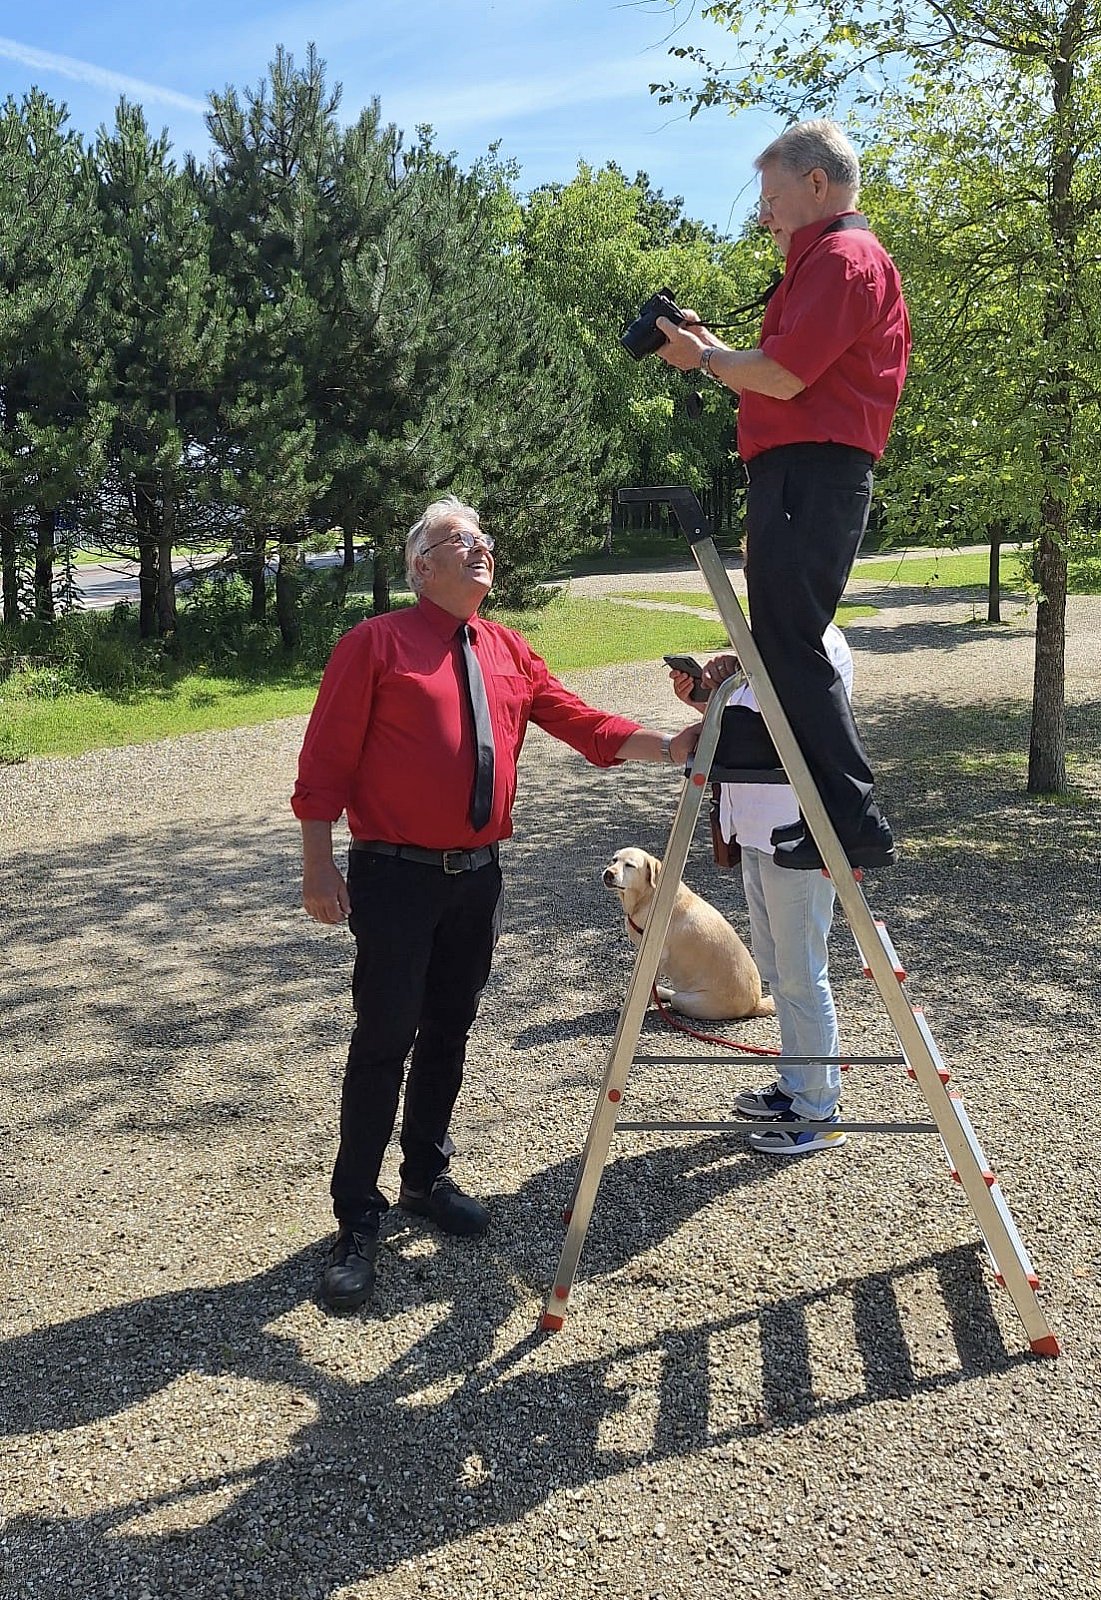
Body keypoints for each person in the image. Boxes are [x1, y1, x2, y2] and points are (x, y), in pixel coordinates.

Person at [293, 495, 700, 1311]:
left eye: (483, 538)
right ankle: (356, 1218)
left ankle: (423, 1179)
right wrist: (317, 865)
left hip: (475, 875)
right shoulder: (373, 645)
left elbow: (577, 720)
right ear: (420, 566)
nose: (480, 548)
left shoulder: (508, 649)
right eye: (458, 540)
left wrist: (667, 745)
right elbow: (326, 760)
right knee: (383, 1037)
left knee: (449, 1028)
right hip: (392, 875)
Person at [654, 118, 910, 871]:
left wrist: (705, 357)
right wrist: (713, 353)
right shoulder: (824, 261)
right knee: (780, 646)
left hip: (809, 470)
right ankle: (832, 815)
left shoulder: (841, 257)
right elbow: (776, 365)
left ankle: (851, 819)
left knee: (791, 646)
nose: (761, 214)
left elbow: (783, 376)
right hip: (801, 472)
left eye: (769, 199)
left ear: (816, 185)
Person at [670, 628, 854, 1155]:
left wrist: (732, 688)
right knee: (777, 969)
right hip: (756, 829)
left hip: (798, 830)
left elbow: (789, 729)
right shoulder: (758, 644)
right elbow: (743, 728)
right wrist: (708, 698)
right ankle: (797, 1087)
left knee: (801, 973)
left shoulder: (813, 641)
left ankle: (818, 1110)